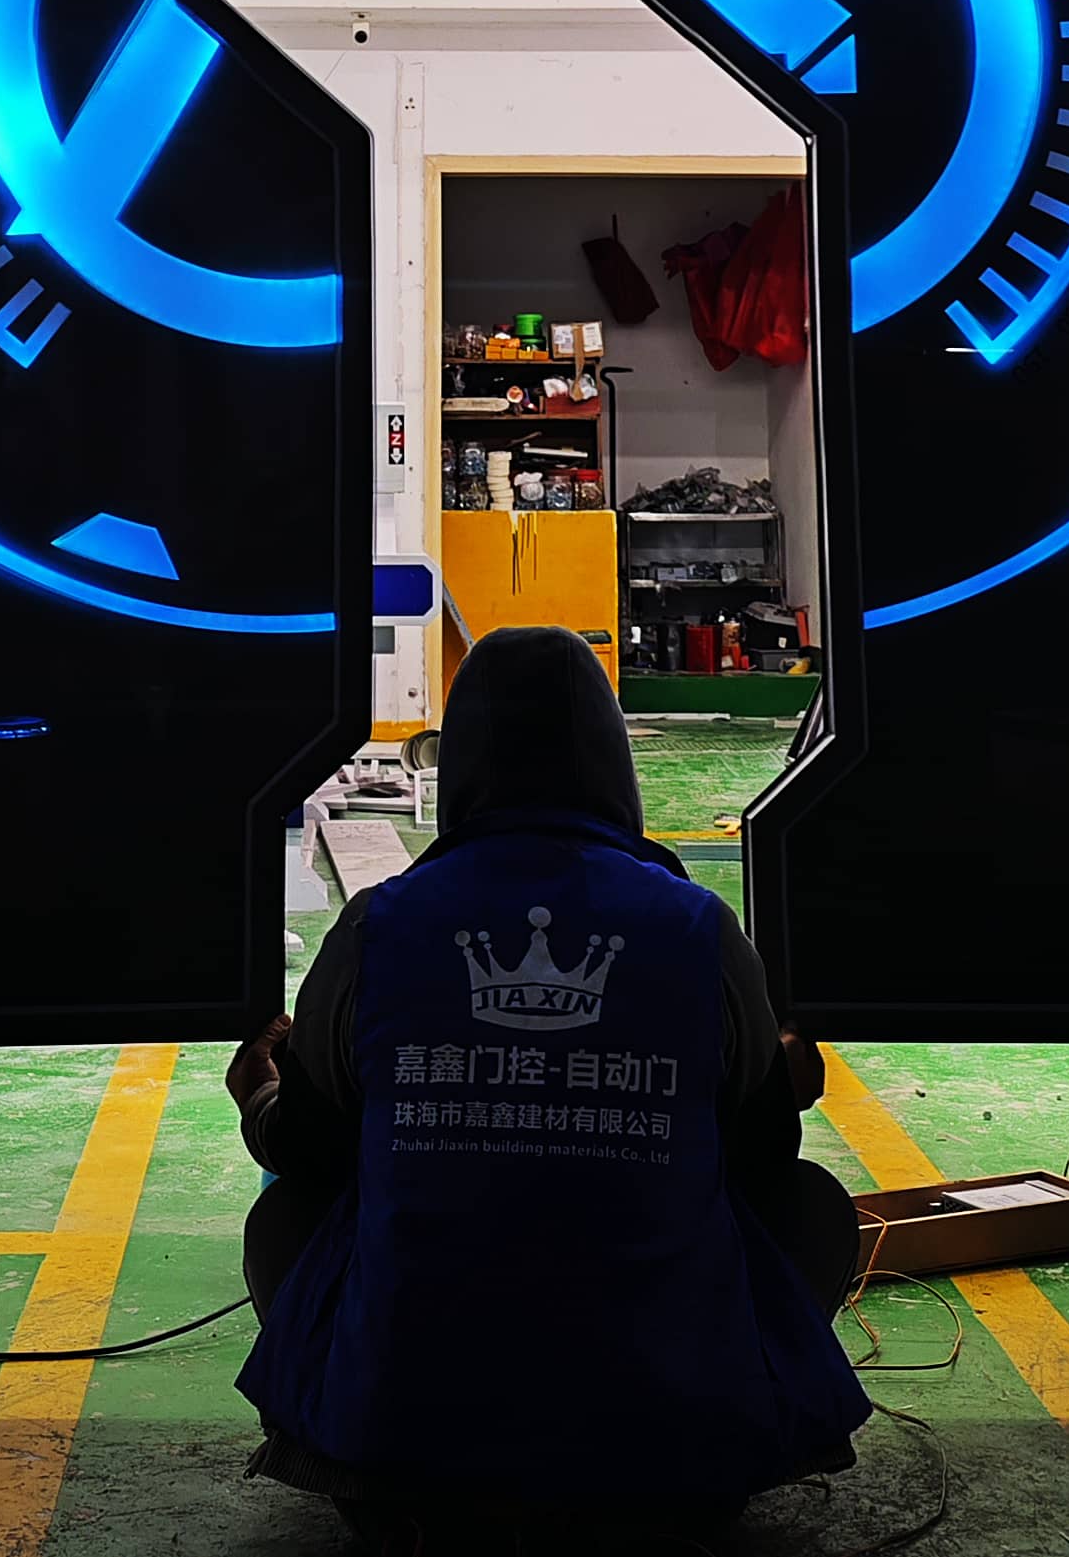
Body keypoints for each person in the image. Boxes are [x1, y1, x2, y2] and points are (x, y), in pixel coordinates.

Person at [229, 625, 871, 1551]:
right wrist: (777, 1078)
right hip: (672, 1470)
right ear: (615, 762)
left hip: (405, 1465)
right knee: (809, 1204)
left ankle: (373, 1453)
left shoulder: (379, 927)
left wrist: (260, 1094)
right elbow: (763, 1154)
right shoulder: (699, 928)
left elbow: (312, 1151)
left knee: (287, 1213)